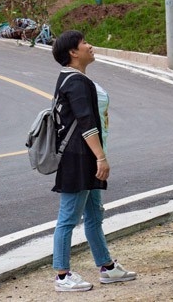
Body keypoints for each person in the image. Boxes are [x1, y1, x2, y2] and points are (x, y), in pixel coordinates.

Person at [51, 30, 136, 292]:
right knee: (68, 218)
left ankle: (107, 267)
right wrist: (101, 157)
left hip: (82, 157)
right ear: (73, 53)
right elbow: (87, 124)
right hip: (78, 159)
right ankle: (62, 275)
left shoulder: (73, 79)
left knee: (93, 215)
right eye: (85, 43)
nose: (91, 46)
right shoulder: (76, 82)